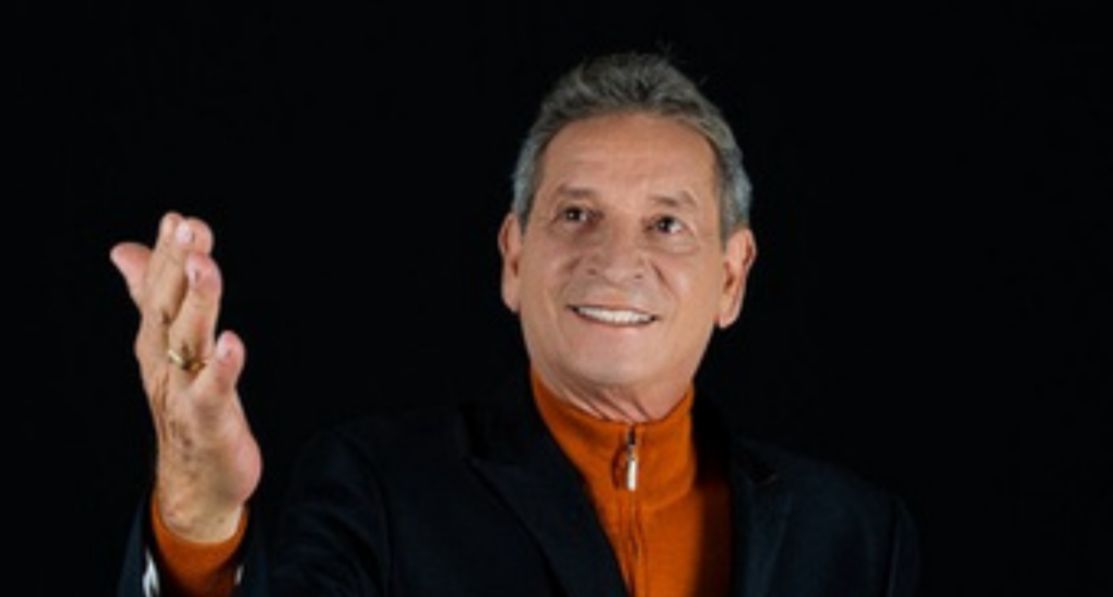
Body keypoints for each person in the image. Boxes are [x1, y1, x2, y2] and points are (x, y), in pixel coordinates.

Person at [111, 52, 920, 597]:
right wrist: (197, 526)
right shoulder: (377, 488)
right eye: (575, 214)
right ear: (513, 256)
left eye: (666, 224)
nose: (615, 260)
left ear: (731, 278)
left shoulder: (853, 536)